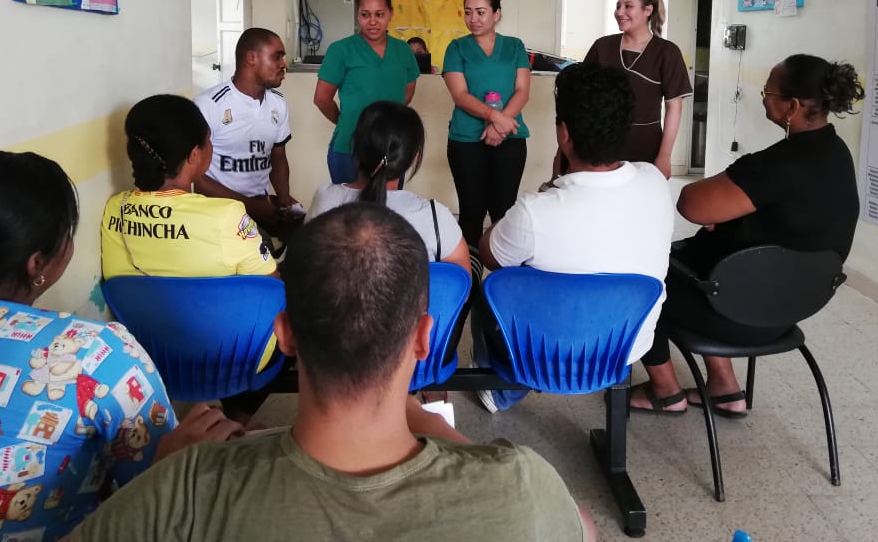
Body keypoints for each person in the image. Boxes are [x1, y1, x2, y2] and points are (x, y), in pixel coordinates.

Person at [67, 202, 596, 541]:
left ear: (284, 334)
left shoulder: (184, 486)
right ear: (423, 338)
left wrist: (159, 472)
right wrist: (444, 434)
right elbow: (585, 531)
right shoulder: (520, 483)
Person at [0, 151, 239, 541]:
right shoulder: (94, 353)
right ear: (37, 264)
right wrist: (174, 466)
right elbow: (160, 500)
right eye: (68, 234)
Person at [627, 54, 864, 416]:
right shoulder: (837, 154)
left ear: (792, 107)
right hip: (792, 308)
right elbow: (791, 215)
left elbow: (691, 204)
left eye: (768, 92)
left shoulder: (778, 164)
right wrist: (730, 218)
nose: (763, 98)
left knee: (642, 278)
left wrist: (721, 211)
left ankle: (665, 390)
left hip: (736, 312)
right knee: (714, 268)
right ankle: (724, 388)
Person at [474, 63, 673, 413]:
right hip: (622, 349)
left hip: (541, 351)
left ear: (564, 133)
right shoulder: (655, 181)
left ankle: (503, 390)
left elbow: (490, 254)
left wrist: (550, 189)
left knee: (487, 283)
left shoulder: (535, 212)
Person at [101, 95, 279, 382]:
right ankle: (236, 408)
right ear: (195, 155)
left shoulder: (115, 208)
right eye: (209, 141)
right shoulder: (227, 215)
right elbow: (272, 288)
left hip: (153, 359)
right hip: (233, 360)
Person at [307, 101, 470, 273]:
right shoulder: (434, 217)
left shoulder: (325, 199)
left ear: (356, 147)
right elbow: (460, 281)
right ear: (414, 157)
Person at [442, 0, 531, 247]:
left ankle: (500, 272)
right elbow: (460, 95)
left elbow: (522, 91)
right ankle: (470, 270)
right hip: (466, 140)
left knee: (504, 213)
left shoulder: (515, 46)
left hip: (510, 138)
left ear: (496, 14)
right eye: (468, 12)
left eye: (480, 12)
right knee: (471, 212)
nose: (473, 19)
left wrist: (500, 125)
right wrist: (496, 117)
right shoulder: (456, 48)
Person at [194, 28, 302, 241]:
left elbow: (278, 157)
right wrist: (251, 207)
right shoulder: (209, 105)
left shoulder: (278, 103)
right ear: (251, 58)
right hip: (218, 210)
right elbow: (195, 177)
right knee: (261, 245)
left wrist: (284, 200)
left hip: (260, 204)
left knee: (307, 235)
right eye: (277, 56)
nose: (283, 64)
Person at [578, 0, 692, 178]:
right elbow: (581, 97)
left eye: (628, 6)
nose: (619, 12)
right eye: (618, 6)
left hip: (645, 147)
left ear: (648, 10)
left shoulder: (666, 52)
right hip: (599, 145)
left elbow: (674, 106)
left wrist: (664, 156)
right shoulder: (602, 46)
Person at [314, 0, 420, 184]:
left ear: (390, 14)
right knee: (349, 203)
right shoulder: (341, 50)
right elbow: (321, 99)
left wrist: (387, 120)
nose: (372, 21)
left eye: (379, 14)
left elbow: (407, 90)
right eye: (365, 15)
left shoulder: (403, 51)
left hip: (390, 148)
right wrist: (347, 121)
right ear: (357, 15)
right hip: (349, 147)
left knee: (387, 204)